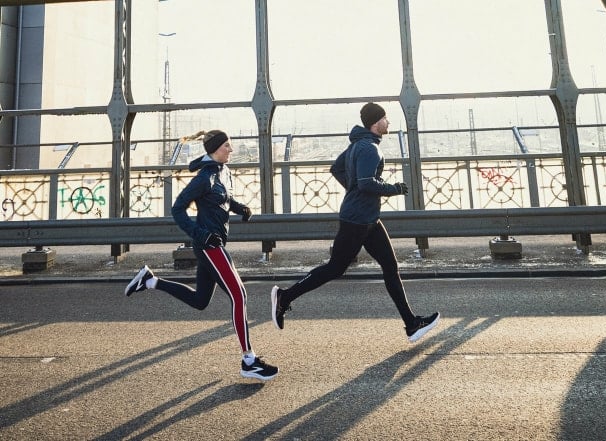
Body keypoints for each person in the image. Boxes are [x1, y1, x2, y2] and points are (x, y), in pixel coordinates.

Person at [270, 103, 440, 343]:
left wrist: (353, 190)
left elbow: (336, 169)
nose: (388, 122)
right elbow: (366, 183)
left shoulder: (356, 145)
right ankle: (284, 297)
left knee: (391, 268)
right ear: (375, 123)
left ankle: (411, 324)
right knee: (334, 268)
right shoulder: (369, 148)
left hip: (368, 219)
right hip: (357, 221)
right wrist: (394, 189)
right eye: (385, 118)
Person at [124, 129, 278, 381]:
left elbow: (223, 199)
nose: (232, 150)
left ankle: (150, 281)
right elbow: (178, 209)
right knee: (239, 295)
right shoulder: (205, 177)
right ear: (216, 149)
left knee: (200, 301)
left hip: (214, 243)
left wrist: (240, 208)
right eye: (228, 145)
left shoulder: (223, 171)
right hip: (209, 246)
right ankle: (249, 360)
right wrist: (200, 234)